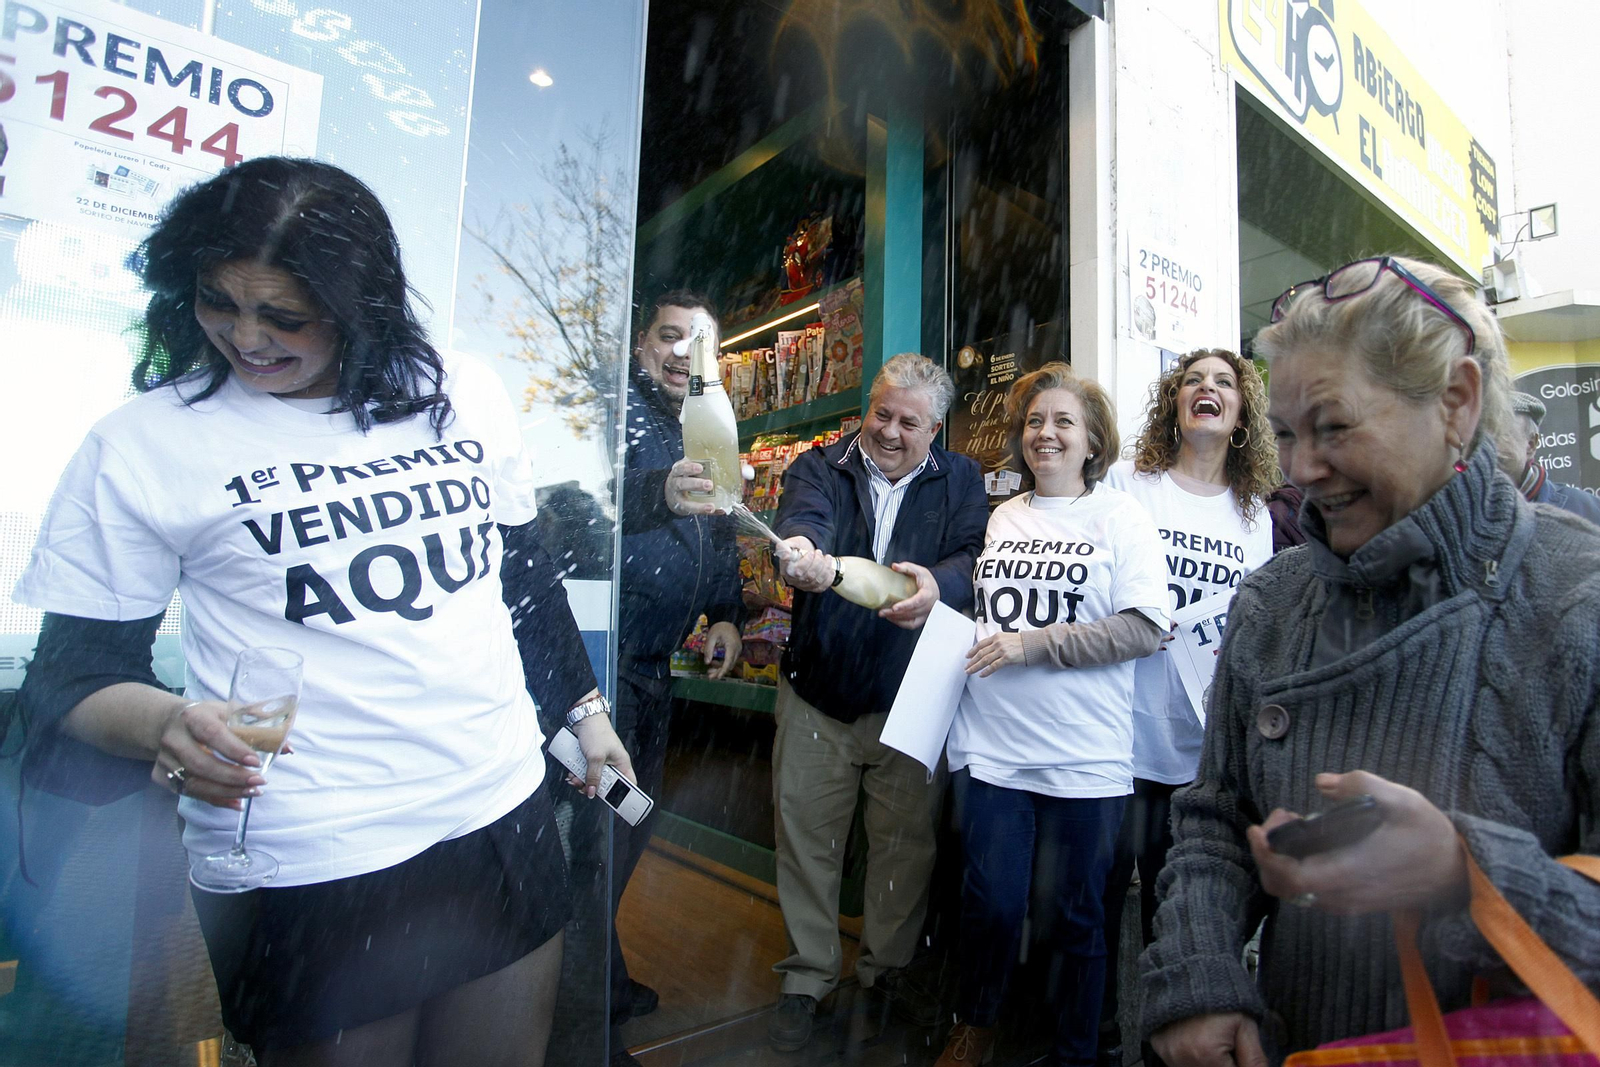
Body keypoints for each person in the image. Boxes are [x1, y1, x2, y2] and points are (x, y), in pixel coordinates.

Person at [12, 157, 633, 1067]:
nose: (246, 337)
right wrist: (169, 726)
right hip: (313, 847)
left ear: (360, 308)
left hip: (496, 804)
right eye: (218, 302)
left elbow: (521, 577)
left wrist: (585, 714)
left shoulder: (460, 390)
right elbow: (71, 675)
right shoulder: (145, 444)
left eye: (284, 317)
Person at [1141, 256, 1600, 1066]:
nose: (1303, 469)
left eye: (1334, 426)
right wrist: (1201, 976)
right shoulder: (1272, 603)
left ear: (1456, 401)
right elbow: (1215, 819)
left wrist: (1466, 873)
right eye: (1284, 433)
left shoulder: (1578, 597)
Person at [937, 363, 1169, 1067]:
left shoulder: (1121, 516)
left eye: (1064, 421)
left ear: (1093, 440)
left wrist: (1031, 646)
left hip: (1086, 758)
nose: (1047, 433)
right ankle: (975, 1024)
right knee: (994, 905)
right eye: (1036, 421)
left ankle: (1075, 1052)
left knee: (1078, 919)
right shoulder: (1004, 514)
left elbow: (1143, 629)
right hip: (992, 749)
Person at [766, 353, 987, 1051]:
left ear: (936, 426)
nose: (889, 431)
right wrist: (800, 550)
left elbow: (974, 556)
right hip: (819, 689)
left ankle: (883, 976)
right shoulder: (819, 466)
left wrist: (941, 586)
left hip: (912, 696)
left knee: (905, 847)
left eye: (909, 421)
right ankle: (806, 977)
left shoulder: (961, 480)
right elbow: (804, 523)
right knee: (808, 838)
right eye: (881, 413)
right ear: (869, 405)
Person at [1096, 350, 1276, 1066]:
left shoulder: (1254, 513)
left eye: (1225, 383)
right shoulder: (1128, 484)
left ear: (1241, 417)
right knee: (1100, 897)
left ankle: (1164, 1033)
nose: (1208, 388)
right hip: (1118, 730)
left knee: (1176, 903)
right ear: (1174, 403)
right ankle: (1099, 1035)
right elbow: (1094, 575)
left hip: (1197, 747)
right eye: (1194, 380)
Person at [603, 289, 745, 1049]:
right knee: (600, 838)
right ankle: (588, 1020)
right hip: (602, 667)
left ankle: (601, 973)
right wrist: (652, 491)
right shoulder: (605, 411)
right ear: (639, 344)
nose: (683, 356)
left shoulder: (706, 419)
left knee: (629, 826)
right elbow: (569, 504)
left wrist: (727, 612)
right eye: (669, 337)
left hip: (653, 670)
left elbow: (719, 531)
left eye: (700, 346)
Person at [1507, 390, 1600, 524]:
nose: (1486, 446)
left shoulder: (1586, 510)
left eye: (1501, 435)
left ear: (1531, 444)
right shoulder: (1467, 515)